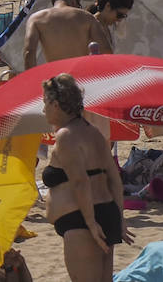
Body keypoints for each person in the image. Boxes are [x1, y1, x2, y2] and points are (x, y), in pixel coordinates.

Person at [42, 73, 128, 281]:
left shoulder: (66, 136)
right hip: (106, 213)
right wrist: (119, 217)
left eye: (45, 102)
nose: (43, 109)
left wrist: (90, 223)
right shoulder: (94, 132)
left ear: (55, 104)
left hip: (83, 221)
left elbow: (80, 182)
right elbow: (114, 178)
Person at [23, 0, 112, 67]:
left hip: (56, 77)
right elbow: (106, 50)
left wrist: (31, 78)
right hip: (81, 73)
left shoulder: (36, 18)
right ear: (74, 0)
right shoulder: (87, 17)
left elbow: (29, 52)